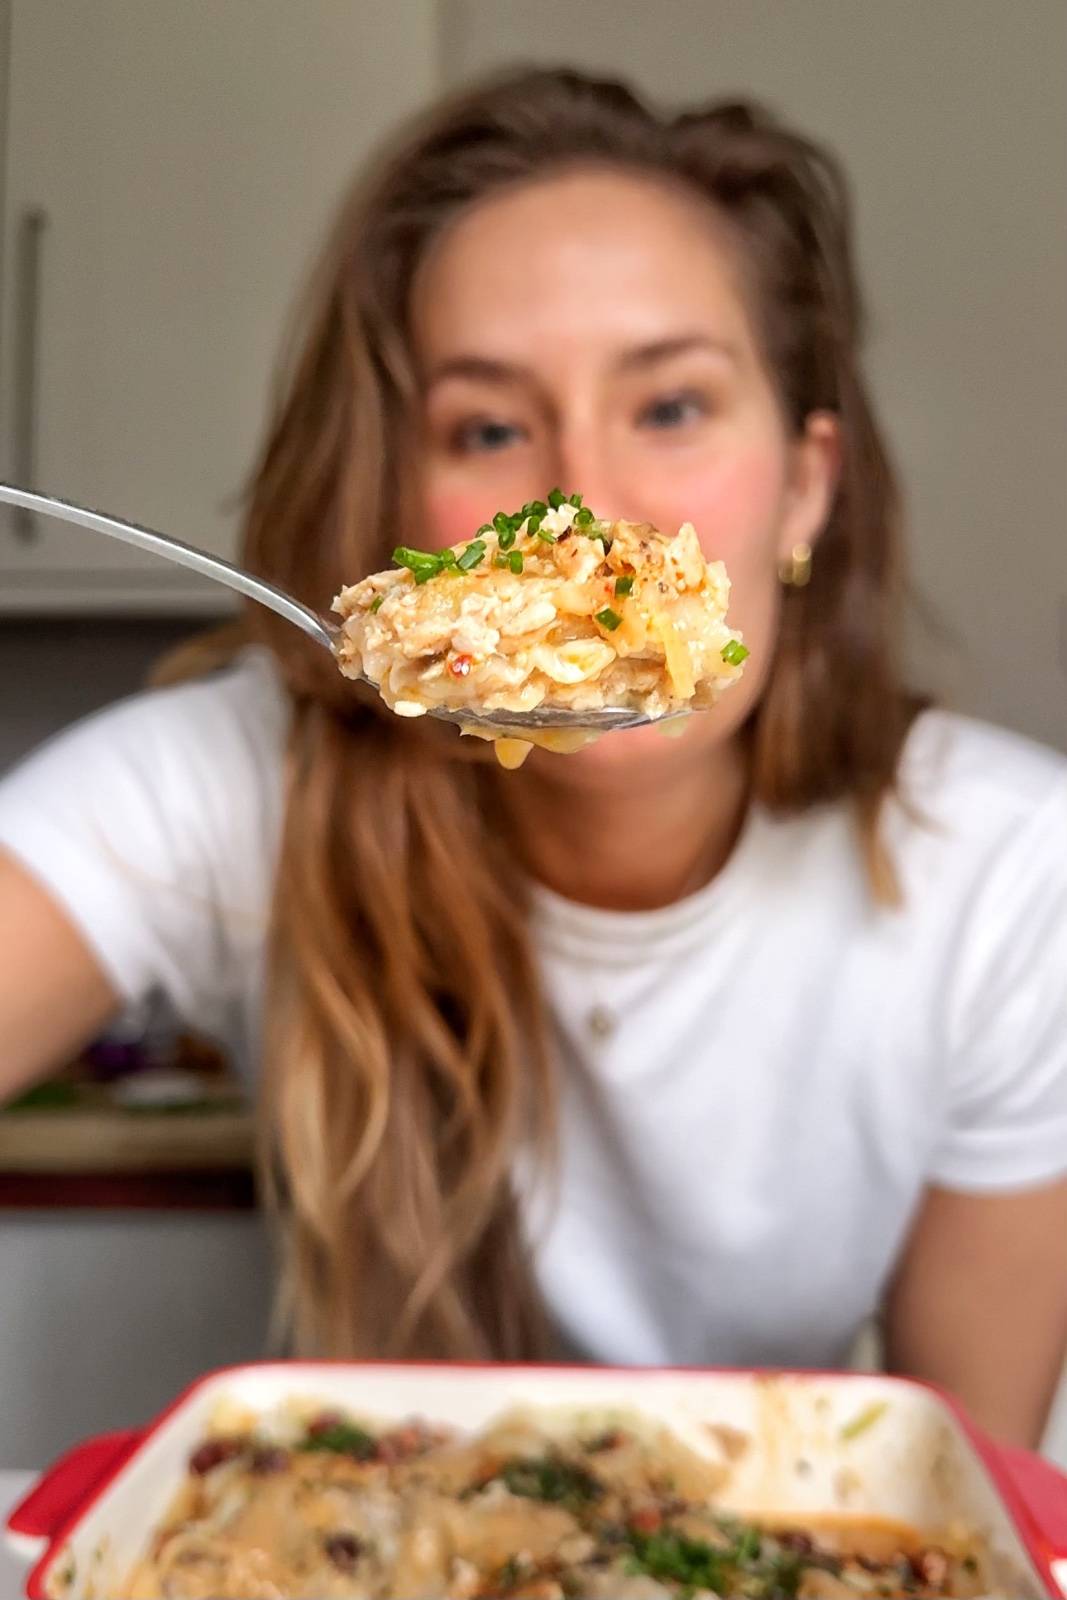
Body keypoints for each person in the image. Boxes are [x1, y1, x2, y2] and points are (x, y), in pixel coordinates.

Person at [0, 69, 1064, 1448]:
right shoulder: (236, 783)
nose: (581, 506)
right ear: (397, 502)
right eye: (489, 429)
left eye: (670, 407)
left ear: (805, 485)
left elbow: (951, 1490)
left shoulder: (1014, 878)